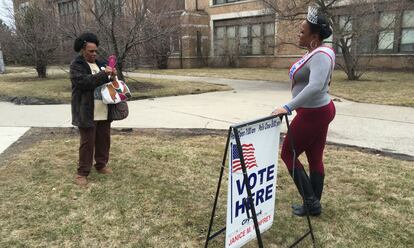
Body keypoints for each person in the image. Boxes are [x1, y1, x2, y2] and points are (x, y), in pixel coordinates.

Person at [271, 6, 336, 216]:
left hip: (313, 112)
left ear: (314, 37)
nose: (298, 35)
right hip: (318, 110)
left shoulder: (320, 55)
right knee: (314, 157)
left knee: (287, 153)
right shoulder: (316, 53)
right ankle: (313, 205)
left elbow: (315, 85)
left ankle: (311, 203)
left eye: (302, 32)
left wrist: (288, 107)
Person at [70, 32, 116, 186]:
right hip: (87, 111)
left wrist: (113, 76)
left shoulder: (101, 63)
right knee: (87, 143)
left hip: (103, 109)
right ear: (82, 50)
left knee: (104, 139)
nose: (94, 54)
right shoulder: (77, 65)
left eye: (96, 50)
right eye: (91, 51)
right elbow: (84, 83)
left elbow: (110, 82)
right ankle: (82, 173)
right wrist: (104, 74)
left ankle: (101, 165)